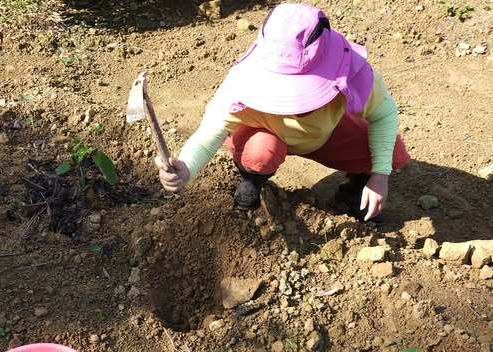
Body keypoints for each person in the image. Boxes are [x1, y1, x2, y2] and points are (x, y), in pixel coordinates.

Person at [155, 2, 410, 222]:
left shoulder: (352, 72)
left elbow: (383, 115)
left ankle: (354, 193)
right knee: (261, 152)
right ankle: (253, 181)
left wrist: (379, 176)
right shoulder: (242, 83)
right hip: (266, 136)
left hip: (324, 134)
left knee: (391, 153)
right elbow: (210, 132)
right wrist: (186, 167)